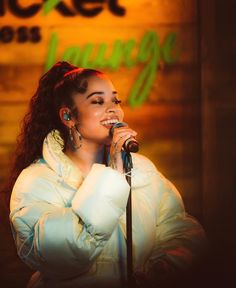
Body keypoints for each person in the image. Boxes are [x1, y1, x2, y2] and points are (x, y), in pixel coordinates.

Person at [9, 61, 206, 288]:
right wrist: (113, 174)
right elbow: (62, 257)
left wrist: (165, 265)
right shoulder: (36, 181)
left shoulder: (142, 169)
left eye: (115, 100)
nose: (113, 109)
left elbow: (180, 228)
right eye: (97, 101)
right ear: (68, 117)